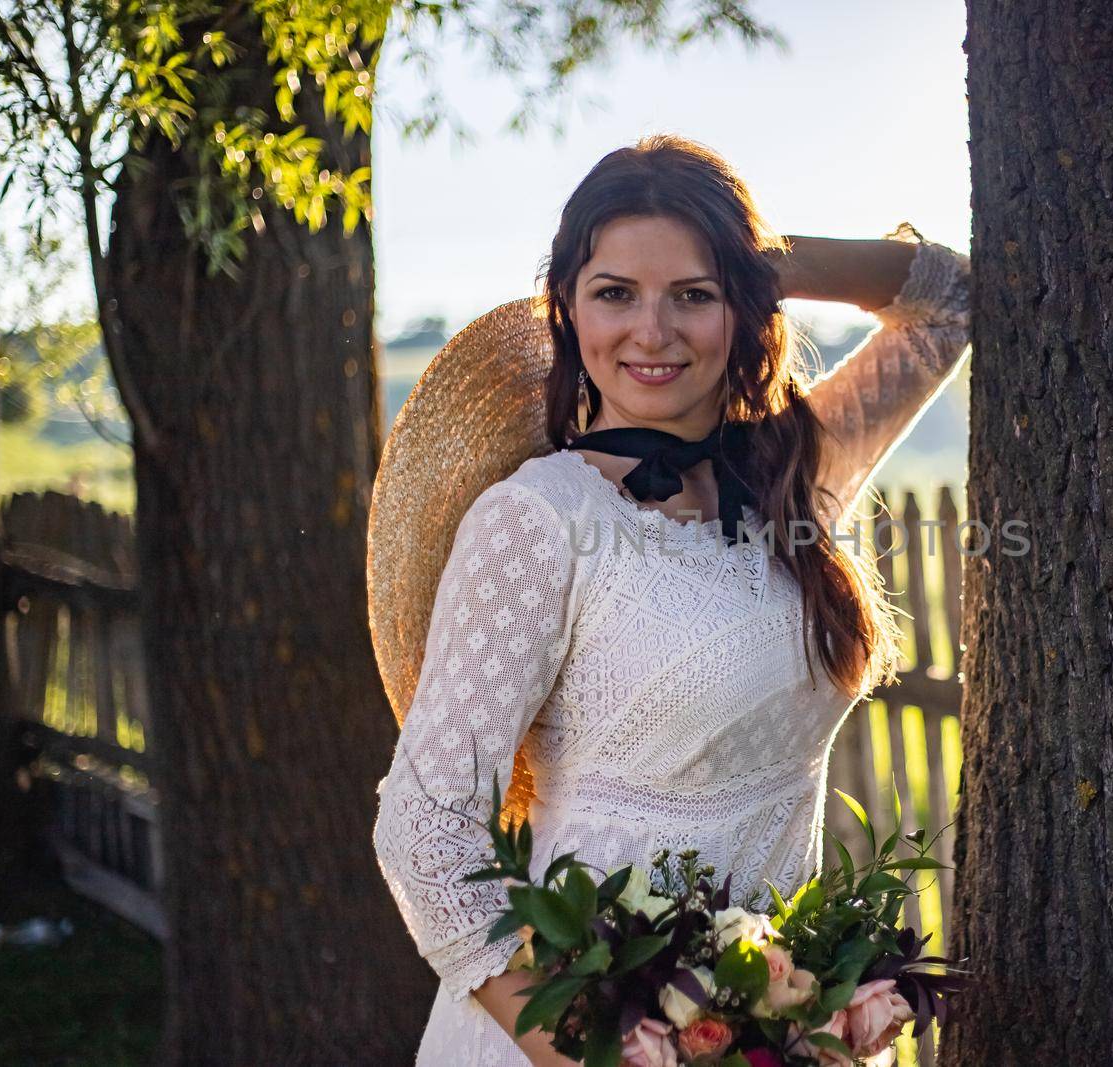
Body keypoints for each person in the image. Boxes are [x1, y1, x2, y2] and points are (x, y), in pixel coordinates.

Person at [369, 133, 971, 1066]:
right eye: (616, 293)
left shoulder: (789, 474)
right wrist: (585, 1051)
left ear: (742, 309)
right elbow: (423, 829)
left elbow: (947, 300)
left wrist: (770, 256)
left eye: (694, 294)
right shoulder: (537, 520)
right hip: (582, 1040)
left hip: (768, 1031)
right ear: (567, 310)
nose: (652, 331)